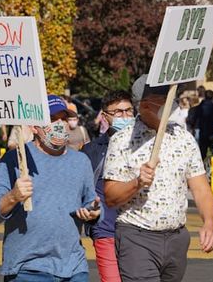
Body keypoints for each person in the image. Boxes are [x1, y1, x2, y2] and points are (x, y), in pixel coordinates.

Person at [103, 75, 213, 282]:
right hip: (137, 237)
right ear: (145, 105)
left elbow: (200, 188)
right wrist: (137, 183)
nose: (171, 102)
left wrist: (209, 222)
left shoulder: (184, 139)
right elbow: (110, 197)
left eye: (172, 95)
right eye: (165, 97)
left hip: (176, 239)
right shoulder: (122, 140)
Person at [0, 94, 101, 282]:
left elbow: (90, 205)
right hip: (27, 269)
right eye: (52, 119)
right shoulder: (14, 160)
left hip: (73, 268)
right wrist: (13, 197)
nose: (60, 124)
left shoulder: (81, 161)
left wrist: (93, 213)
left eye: (63, 118)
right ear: (35, 127)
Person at [81, 90, 134, 282]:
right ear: (105, 116)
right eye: (118, 112)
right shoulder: (91, 151)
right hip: (106, 231)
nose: (125, 116)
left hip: (139, 232)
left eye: (128, 111)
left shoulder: (145, 146)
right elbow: (82, 190)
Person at [192, 90, 213, 159]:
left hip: (203, 134)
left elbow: (194, 120)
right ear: (212, 96)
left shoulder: (199, 107)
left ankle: (203, 168)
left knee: (202, 154)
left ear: (204, 96)